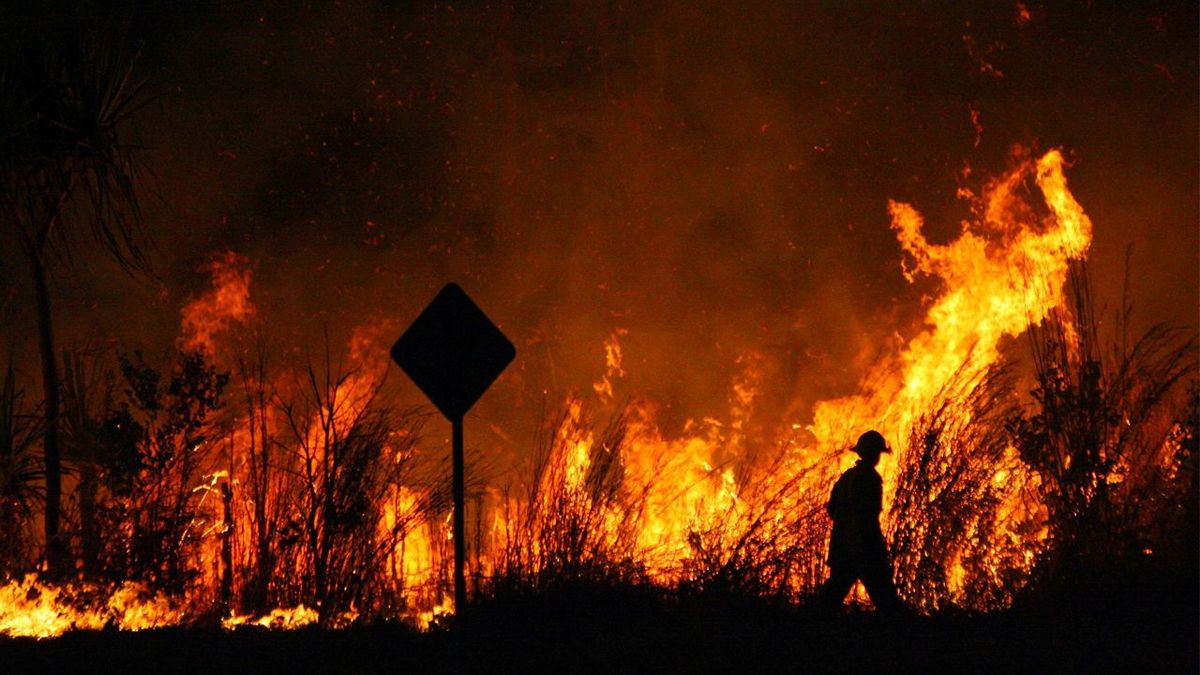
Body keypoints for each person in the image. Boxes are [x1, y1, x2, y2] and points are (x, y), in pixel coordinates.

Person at [817, 429, 904, 615]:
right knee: (887, 599)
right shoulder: (869, 478)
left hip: (843, 547)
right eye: (878, 453)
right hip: (864, 549)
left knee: (830, 596)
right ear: (874, 455)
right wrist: (874, 546)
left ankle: (804, 625)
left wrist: (845, 529)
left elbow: (832, 509)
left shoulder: (846, 477)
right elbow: (867, 517)